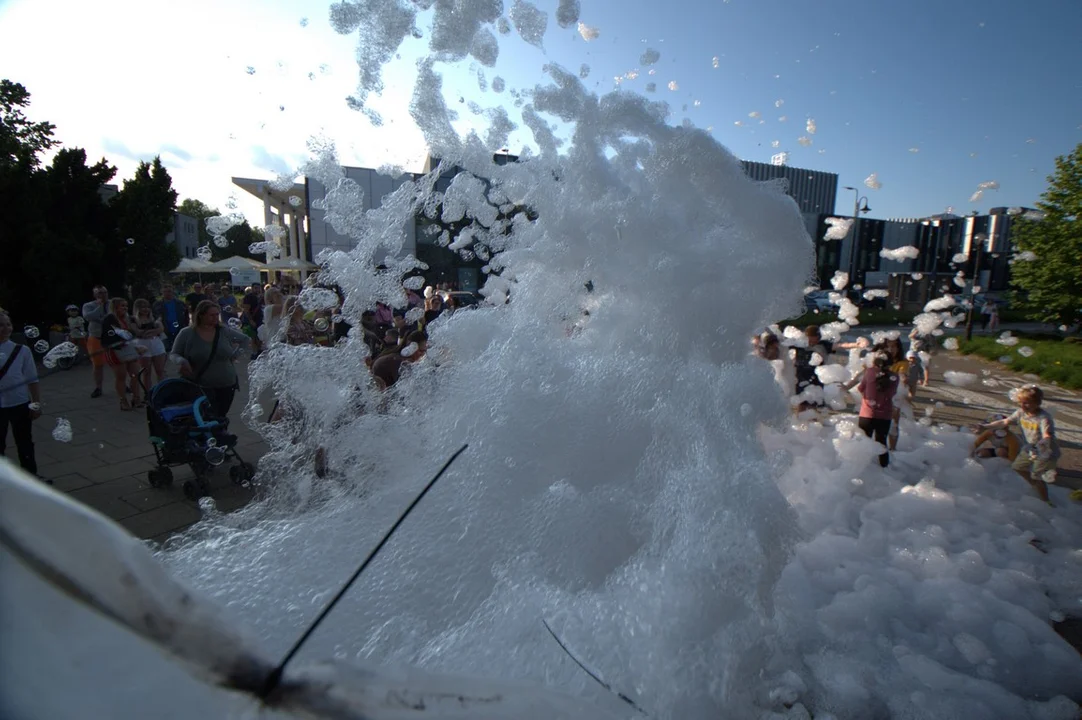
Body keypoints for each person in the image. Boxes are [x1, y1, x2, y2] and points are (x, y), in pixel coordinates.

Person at [171, 300, 251, 420]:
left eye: (216, 314)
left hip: (227, 383)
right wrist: (182, 361)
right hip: (201, 384)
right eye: (211, 315)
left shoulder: (223, 331)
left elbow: (245, 340)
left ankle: (221, 436)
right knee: (206, 416)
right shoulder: (187, 333)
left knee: (221, 416)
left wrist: (236, 355)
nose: (215, 318)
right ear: (201, 315)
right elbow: (174, 354)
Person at [978, 385, 1059, 504]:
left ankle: (1046, 501)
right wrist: (985, 427)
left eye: (1027, 403)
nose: (1022, 406)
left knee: (1036, 476)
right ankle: (1036, 484)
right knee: (1017, 467)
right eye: (1021, 402)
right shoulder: (1021, 412)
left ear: (1037, 403)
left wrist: (1044, 442)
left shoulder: (1043, 418)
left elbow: (1047, 434)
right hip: (1030, 448)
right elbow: (1005, 421)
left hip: (1045, 451)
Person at [0, 312, 45, 481]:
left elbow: (32, 379)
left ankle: (30, 476)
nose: (6, 328)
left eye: (8, 324)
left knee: (25, 442)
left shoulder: (21, 350)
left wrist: (36, 403)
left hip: (19, 402)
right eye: (1, 325)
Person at [846, 352, 899, 468]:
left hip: (867, 414)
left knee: (864, 442)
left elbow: (860, 388)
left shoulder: (869, 372)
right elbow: (893, 393)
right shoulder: (895, 377)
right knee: (882, 442)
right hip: (885, 415)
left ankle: (862, 468)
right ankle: (884, 468)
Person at [100, 298, 147, 410]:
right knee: (121, 376)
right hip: (115, 350)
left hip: (129, 349)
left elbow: (131, 334)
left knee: (135, 374)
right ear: (115, 307)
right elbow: (108, 336)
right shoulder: (109, 319)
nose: (125, 308)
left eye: (126, 306)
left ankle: (136, 398)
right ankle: (123, 401)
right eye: (122, 306)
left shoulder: (127, 318)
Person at [82, 284, 111, 398]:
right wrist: (99, 306)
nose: (103, 295)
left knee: (118, 362)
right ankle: (98, 387)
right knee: (97, 364)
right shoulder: (88, 305)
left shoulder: (112, 303)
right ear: (95, 295)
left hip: (111, 337)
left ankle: (123, 384)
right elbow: (88, 317)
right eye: (100, 293)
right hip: (96, 337)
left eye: (105, 292)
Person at [132, 298, 168, 385]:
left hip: (156, 344)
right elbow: (137, 332)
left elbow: (161, 329)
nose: (146, 309)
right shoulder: (133, 319)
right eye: (142, 307)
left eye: (147, 307)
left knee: (160, 371)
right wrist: (154, 331)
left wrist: (148, 332)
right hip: (142, 346)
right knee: (146, 372)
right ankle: (148, 393)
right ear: (137, 308)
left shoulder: (154, 317)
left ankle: (162, 391)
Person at [153, 284, 189, 349]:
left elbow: (186, 315)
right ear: (162, 292)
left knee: (180, 350)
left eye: (169, 291)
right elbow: (154, 317)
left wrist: (186, 326)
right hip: (165, 332)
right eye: (165, 291)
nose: (168, 293)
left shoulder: (180, 303)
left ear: (172, 291)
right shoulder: (157, 304)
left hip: (179, 330)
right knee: (166, 350)